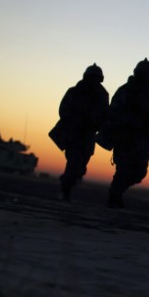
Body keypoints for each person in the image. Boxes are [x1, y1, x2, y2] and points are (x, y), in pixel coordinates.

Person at [103, 58, 149, 208]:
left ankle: (117, 192)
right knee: (123, 169)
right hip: (126, 137)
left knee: (139, 172)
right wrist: (132, 121)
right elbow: (114, 112)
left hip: (142, 139)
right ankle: (114, 196)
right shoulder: (126, 90)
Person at [49, 64, 109, 201]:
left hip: (88, 135)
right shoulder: (74, 92)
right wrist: (75, 120)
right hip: (73, 134)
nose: (94, 80)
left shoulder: (102, 95)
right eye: (92, 77)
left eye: (96, 78)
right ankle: (66, 191)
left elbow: (105, 115)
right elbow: (63, 110)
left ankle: (67, 181)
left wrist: (96, 125)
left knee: (81, 167)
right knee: (74, 162)